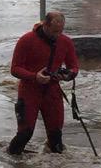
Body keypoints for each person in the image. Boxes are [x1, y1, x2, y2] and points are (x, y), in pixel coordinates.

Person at [7, 11, 79, 155]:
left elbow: (74, 66)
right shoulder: (26, 40)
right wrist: (35, 77)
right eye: (54, 31)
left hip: (52, 92)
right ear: (45, 25)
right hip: (29, 91)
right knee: (24, 134)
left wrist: (68, 75)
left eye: (60, 31)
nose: (57, 35)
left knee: (56, 139)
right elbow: (15, 69)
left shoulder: (65, 42)